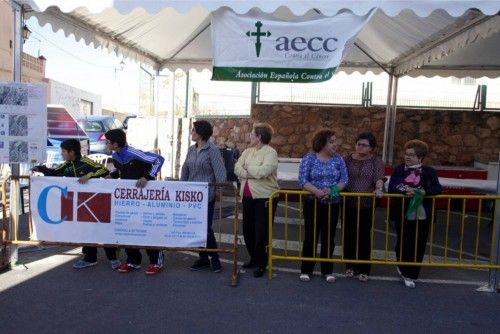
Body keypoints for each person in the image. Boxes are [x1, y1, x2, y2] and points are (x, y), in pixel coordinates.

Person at [33, 139, 120, 270]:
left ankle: (113, 258)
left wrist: (89, 176)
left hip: (97, 202)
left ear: (72, 152)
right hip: (80, 205)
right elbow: (54, 172)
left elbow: (103, 170)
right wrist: (40, 168)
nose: (61, 154)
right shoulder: (66, 165)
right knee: (85, 230)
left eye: (63, 151)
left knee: (102, 229)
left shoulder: (86, 162)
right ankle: (90, 258)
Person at [104, 129, 165, 275]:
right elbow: (121, 171)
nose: (105, 144)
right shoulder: (115, 155)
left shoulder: (133, 153)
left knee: (147, 228)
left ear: (115, 143)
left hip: (146, 197)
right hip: (128, 199)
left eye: (107, 142)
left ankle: (156, 261)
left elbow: (159, 160)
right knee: (128, 228)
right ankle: (133, 260)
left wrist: (148, 177)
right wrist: (111, 175)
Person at [388, 139, 442, 288]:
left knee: (419, 243)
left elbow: (437, 188)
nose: (407, 157)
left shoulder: (429, 171)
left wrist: (424, 192)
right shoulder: (399, 169)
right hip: (403, 212)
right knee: (403, 241)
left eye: (411, 155)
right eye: (406, 154)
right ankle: (402, 265)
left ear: (420, 157)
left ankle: (411, 273)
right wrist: (406, 190)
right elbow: (392, 186)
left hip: (422, 213)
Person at [298, 130, 348, 283]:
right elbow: (302, 180)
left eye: (335, 141)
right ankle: (306, 269)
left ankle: (327, 270)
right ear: (322, 143)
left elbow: (344, 179)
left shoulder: (338, 159)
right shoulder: (309, 158)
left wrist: (332, 191)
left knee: (328, 237)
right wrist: (317, 192)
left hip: (332, 204)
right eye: (331, 141)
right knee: (310, 236)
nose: (335, 144)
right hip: (312, 203)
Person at [181, 120, 227, 273]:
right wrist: (182, 188)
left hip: (206, 195)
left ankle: (214, 259)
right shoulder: (191, 150)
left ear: (200, 133)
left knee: (206, 228)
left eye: (193, 130)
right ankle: (203, 258)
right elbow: (185, 170)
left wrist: (218, 191)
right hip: (191, 196)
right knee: (196, 226)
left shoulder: (212, 150)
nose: (191, 133)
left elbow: (221, 174)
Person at [235, 123, 279, 278]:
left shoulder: (270, 153)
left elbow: (264, 172)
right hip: (247, 196)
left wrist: (246, 170)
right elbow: (236, 168)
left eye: (252, 134)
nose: (249, 136)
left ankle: (262, 263)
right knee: (248, 229)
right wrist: (250, 170)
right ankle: (254, 257)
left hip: (265, 197)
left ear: (259, 136)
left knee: (262, 231)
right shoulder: (247, 151)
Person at [343, 132, 385, 282]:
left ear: (371, 148)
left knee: (364, 236)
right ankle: (349, 266)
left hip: (367, 204)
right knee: (348, 234)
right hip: (348, 203)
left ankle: (364, 268)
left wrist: (379, 188)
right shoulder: (347, 159)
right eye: (358, 144)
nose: (360, 147)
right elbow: (341, 177)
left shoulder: (376, 161)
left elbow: (379, 178)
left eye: (364, 145)